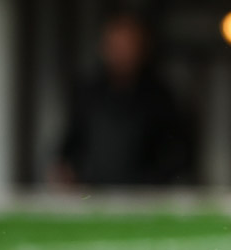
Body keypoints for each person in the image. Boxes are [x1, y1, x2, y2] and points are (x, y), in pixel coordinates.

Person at [53, 13, 191, 186]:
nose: (121, 53)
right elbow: (70, 145)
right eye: (115, 45)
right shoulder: (87, 93)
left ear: (142, 48)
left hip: (145, 198)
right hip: (93, 196)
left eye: (128, 45)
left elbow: (178, 154)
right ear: (103, 47)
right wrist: (65, 172)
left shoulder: (161, 97)